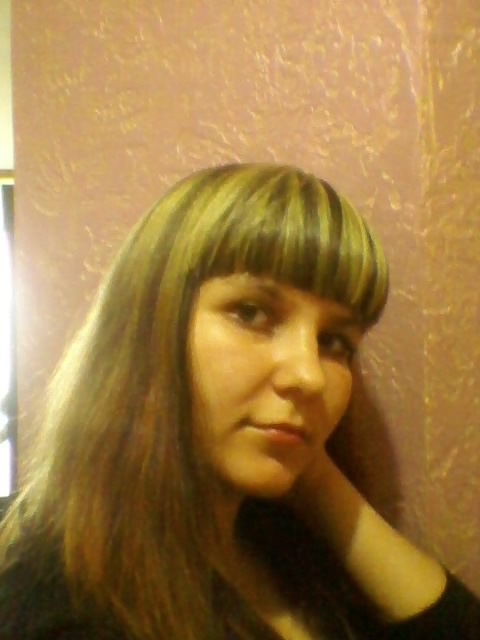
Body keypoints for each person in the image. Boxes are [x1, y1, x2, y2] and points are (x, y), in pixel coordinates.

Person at [0, 163, 478, 640]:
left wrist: (314, 476)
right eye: (251, 313)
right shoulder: (61, 610)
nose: (309, 376)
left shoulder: (283, 544)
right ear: (148, 325)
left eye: (334, 342)